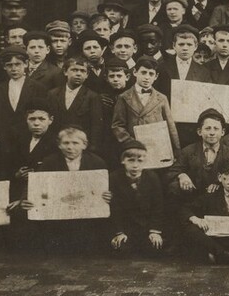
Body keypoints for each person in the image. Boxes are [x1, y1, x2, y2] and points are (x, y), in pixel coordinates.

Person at [29, 125, 111, 254]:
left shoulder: (97, 163)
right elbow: (38, 185)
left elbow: (105, 187)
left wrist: (107, 195)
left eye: (75, 143)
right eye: (66, 143)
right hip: (59, 215)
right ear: (59, 145)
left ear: (84, 145)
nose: (70, 147)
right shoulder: (49, 162)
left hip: (87, 216)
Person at [0, 45, 49, 176]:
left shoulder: (37, 87)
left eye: (18, 64)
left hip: (27, 142)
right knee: (8, 175)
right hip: (5, 144)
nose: (14, 69)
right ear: (4, 67)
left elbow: (43, 114)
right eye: (9, 65)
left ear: (26, 64)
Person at [109, 139, 167, 257]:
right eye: (131, 161)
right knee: (121, 249)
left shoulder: (152, 178)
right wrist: (119, 232)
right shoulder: (114, 178)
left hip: (145, 227)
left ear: (145, 161)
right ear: (122, 160)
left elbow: (158, 207)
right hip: (126, 228)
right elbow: (114, 209)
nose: (135, 165)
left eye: (140, 161)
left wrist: (154, 231)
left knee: (156, 248)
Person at [111, 57, 180, 154]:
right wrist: (131, 142)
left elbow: (171, 126)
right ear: (135, 72)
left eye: (151, 74)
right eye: (143, 72)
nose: (147, 77)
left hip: (158, 147)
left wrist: (177, 150)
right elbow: (117, 126)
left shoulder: (162, 98)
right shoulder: (124, 97)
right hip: (134, 147)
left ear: (156, 76)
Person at [168, 108, 229, 197]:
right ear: (199, 131)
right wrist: (181, 175)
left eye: (216, 129)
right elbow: (170, 173)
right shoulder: (188, 151)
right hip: (193, 199)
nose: (212, 133)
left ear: (222, 132)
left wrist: (220, 184)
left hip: (218, 200)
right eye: (208, 128)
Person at [48, 56, 104, 150]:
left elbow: (96, 126)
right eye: (74, 70)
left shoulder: (92, 97)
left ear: (87, 75)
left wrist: (91, 148)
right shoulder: (53, 94)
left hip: (80, 146)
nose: (78, 74)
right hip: (56, 145)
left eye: (82, 71)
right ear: (65, 72)